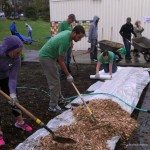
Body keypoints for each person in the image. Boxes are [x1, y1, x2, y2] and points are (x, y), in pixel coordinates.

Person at [39, 25, 85, 115]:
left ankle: (59, 99)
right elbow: (61, 61)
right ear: (74, 33)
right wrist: (68, 75)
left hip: (50, 56)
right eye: (79, 37)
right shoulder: (65, 41)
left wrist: (71, 43)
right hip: (46, 57)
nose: (79, 39)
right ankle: (52, 106)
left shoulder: (68, 33)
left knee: (56, 79)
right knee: (54, 82)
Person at [0, 35, 33, 147]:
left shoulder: (16, 59)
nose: (19, 55)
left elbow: (13, 78)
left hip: (5, 77)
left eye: (20, 52)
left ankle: (19, 122)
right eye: (17, 52)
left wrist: (13, 94)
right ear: (8, 49)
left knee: (15, 101)